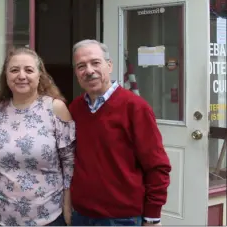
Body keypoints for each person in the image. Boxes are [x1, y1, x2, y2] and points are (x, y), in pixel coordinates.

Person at [69, 40, 172, 226]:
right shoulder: (75, 109)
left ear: (109, 65)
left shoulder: (135, 108)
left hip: (122, 219)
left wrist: (152, 216)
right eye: (81, 66)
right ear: (76, 73)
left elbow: (157, 166)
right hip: (81, 215)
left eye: (95, 62)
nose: (89, 70)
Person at [0, 47, 75, 226]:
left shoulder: (55, 109)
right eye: (14, 70)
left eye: (29, 70)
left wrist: (67, 204)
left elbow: (70, 164)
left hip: (47, 216)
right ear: (6, 76)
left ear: (40, 75)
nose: (21, 75)